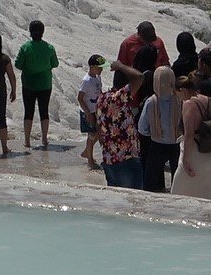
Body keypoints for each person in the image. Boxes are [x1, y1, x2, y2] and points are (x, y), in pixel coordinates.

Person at [170, 74, 211, 199]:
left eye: (177, 94)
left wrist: (185, 160)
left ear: (183, 91)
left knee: (181, 192)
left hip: (196, 151)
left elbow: (189, 134)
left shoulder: (188, 104)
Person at [96, 61, 146, 189]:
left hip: (109, 159)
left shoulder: (102, 98)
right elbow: (139, 77)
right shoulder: (119, 98)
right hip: (125, 160)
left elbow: (98, 124)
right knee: (133, 202)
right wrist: (121, 66)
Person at [15, 19, 59, 149]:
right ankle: (44, 138)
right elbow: (55, 63)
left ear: (30, 31)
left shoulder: (25, 47)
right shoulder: (49, 48)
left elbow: (18, 64)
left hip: (29, 83)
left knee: (28, 111)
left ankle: (27, 140)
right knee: (43, 111)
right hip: (45, 83)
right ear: (42, 32)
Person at [137, 67, 183, 192]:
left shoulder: (151, 102)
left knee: (150, 183)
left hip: (157, 144)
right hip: (176, 144)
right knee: (178, 181)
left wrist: (154, 132)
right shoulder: (179, 100)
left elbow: (142, 128)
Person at [78, 55, 106, 168]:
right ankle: (90, 160)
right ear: (92, 67)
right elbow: (80, 97)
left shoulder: (97, 78)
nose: (101, 70)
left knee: (100, 133)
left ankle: (87, 151)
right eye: (99, 67)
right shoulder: (86, 81)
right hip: (89, 111)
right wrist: (87, 113)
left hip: (97, 110)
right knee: (91, 135)